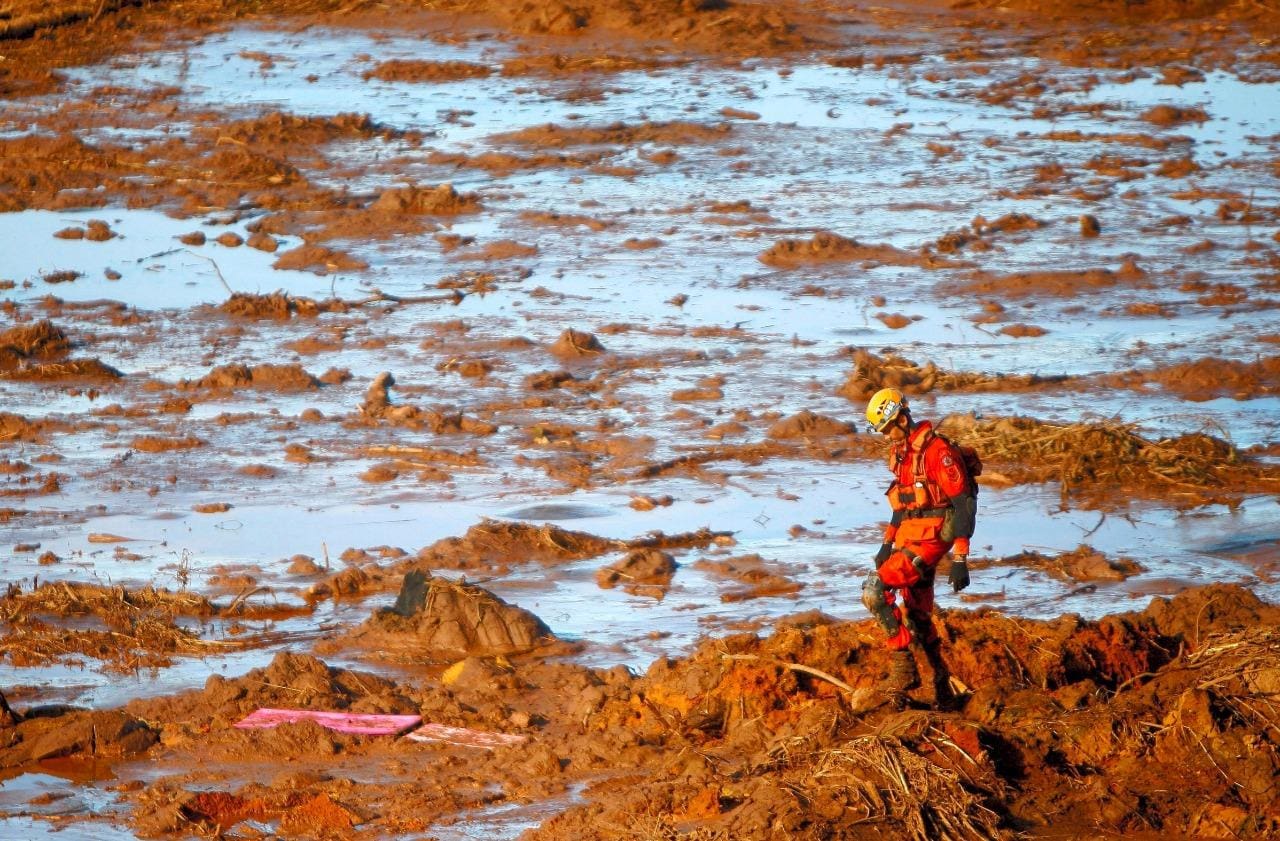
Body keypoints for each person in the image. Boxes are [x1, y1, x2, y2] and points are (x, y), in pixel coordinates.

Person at [861, 387, 977, 708]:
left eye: (887, 428)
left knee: (874, 591)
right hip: (910, 533)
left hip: (934, 536)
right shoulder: (902, 454)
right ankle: (940, 686)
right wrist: (887, 542)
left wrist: (960, 558)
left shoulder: (938, 452)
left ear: (900, 417)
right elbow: (901, 504)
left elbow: (963, 505)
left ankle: (903, 664)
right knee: (916, 613)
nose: (885, 437)